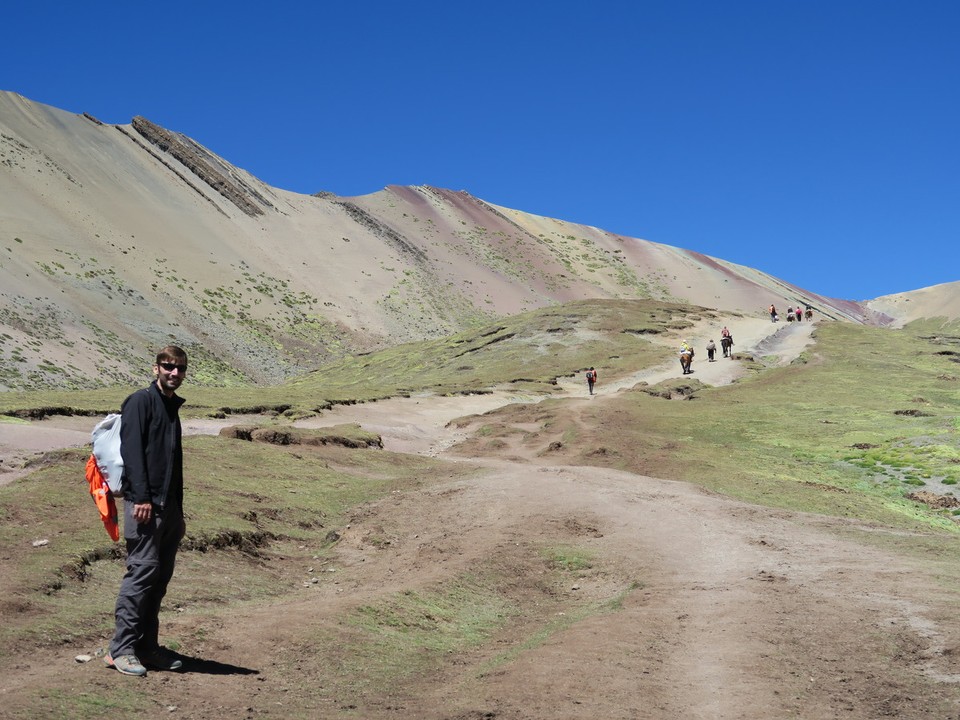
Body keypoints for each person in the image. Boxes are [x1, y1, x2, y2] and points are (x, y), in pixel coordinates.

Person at [105, 346, 189, 677]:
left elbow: (170, 462)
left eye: (180, 369)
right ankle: (120, 649)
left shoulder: (171, 406)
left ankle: (147, 646)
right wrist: (139, 497)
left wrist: (178, 511)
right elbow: (132, 451)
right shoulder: (140, 401)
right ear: (156, 368)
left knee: (158, 579)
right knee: (141, 574)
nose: (174, 373)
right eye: (168, 367)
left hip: (168, 509)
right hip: (145, 507)